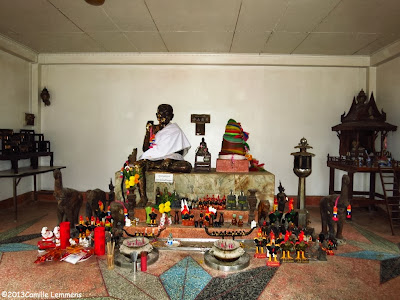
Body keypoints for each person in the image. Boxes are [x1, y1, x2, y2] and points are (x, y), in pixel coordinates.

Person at [133, 104, 192, 207]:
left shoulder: (175, 130)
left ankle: (159, 166)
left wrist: (169, 158)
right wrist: (148, 132)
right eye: (161, 114)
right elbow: (146, 149)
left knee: (186, 166)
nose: (163, 116)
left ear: (172, 116)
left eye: (167, 114)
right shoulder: (152, 129)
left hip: (169, 160)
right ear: (157, 115)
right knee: (138, 166)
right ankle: (143, 197)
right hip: (153, 159)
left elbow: (180, 151)